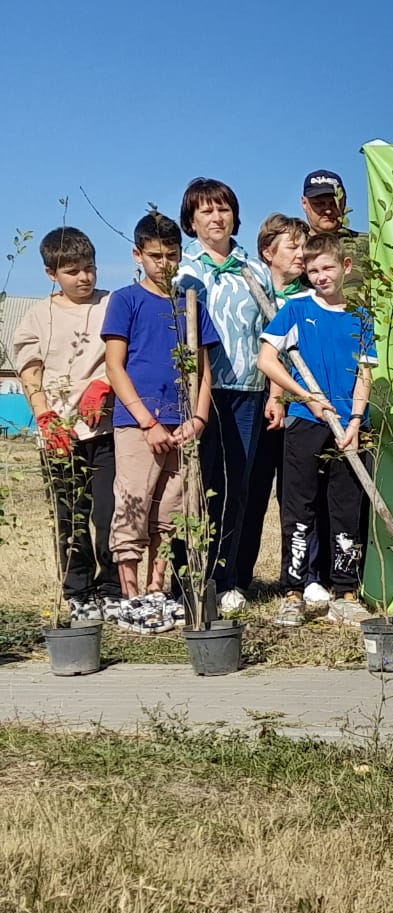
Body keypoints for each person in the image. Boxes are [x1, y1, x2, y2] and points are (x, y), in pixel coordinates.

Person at [102, 212, 217, 633]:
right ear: (138, 255)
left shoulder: (191, 305)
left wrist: (199, 417)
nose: (163, 263)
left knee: (171, 510)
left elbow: (205, 371)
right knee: (133, 501)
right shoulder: (125, 300)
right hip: (139, 423)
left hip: (183, 422)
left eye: (171, 255)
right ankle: (130, 596)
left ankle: (157, 589)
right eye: (155, 255)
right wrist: (147, 421)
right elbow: (116, 367)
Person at [257, 234, 376, 627]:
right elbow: (267, 360)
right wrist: (304, 395)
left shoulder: (361, 316)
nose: (321, 276)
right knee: (299, 506)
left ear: (345, 267)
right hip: (308, 421)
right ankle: (293, 592)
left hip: (348, 425)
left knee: (347, 506)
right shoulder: (296, 309)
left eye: (327, 268)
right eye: (312, 271)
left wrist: (356, 421)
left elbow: (364, 373)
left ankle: (345, 591)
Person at [173, 179, 271, 615]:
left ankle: (229, 577)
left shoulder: (255, 271)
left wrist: (278, 393)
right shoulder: (183, 269)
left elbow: (273, 333)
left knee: (237, 485)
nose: (216, 218)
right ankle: (190, 573)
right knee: (194, 484)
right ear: (191, 220)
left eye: (223, 209)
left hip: (248, 391)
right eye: (206, 211)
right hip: (198, 395)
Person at [13, 227, 121, 620]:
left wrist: (104, 383)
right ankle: (78, 588)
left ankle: (112, 586)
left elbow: (125, 354)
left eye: (90, 268)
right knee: (69, 514)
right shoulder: (39, 317)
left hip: (105, 428)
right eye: (73, 271)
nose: (84, 278)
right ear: (51, 274)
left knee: (109, 512)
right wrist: (44, 415)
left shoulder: (112, 304)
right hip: (60, 432)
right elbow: (30, 370)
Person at [232, 214, 320, 599]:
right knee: (248, 491)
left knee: (299, 496)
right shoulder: (251, 291)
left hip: (298, 406)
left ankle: (301, 576)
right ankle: (236, 576)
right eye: (292, 246)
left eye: (304, 246)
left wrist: (283, 396)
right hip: (252, 399)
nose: (302, 254)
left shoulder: (308, 298)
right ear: (268, 252)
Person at [300, 169, 369, 295]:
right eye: (319, 204)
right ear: (304, 203)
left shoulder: (369, 243)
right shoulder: (294, 248)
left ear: (344, 202)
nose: (328, 210)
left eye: (334, 203)